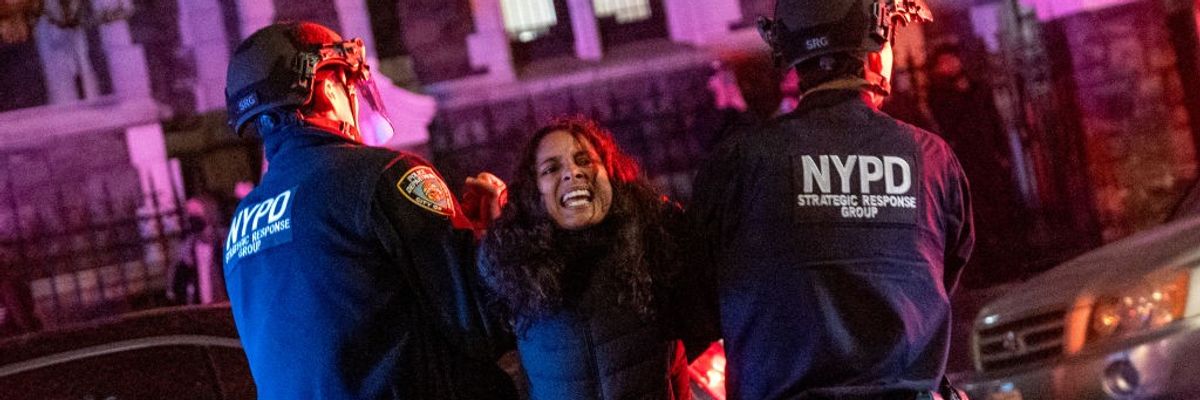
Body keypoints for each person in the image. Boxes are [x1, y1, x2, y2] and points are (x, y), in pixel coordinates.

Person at [687, 0, 974, 399]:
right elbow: (945, 272)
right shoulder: (931, 158)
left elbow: (698, 298)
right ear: (874, 55)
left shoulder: (739, 163)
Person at [221, 22, 515, 399]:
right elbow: (482, 323)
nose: (357, 100)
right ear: (328, 87)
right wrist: (490, 235)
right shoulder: (384, 177)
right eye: (349, 83)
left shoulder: (241, 225)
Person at [478, 117, 709, 400]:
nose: (572, 173)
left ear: (610, 173)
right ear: (533, 193)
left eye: (585, 160)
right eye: (551, 168)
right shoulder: (514, 270)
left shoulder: (654, 244)